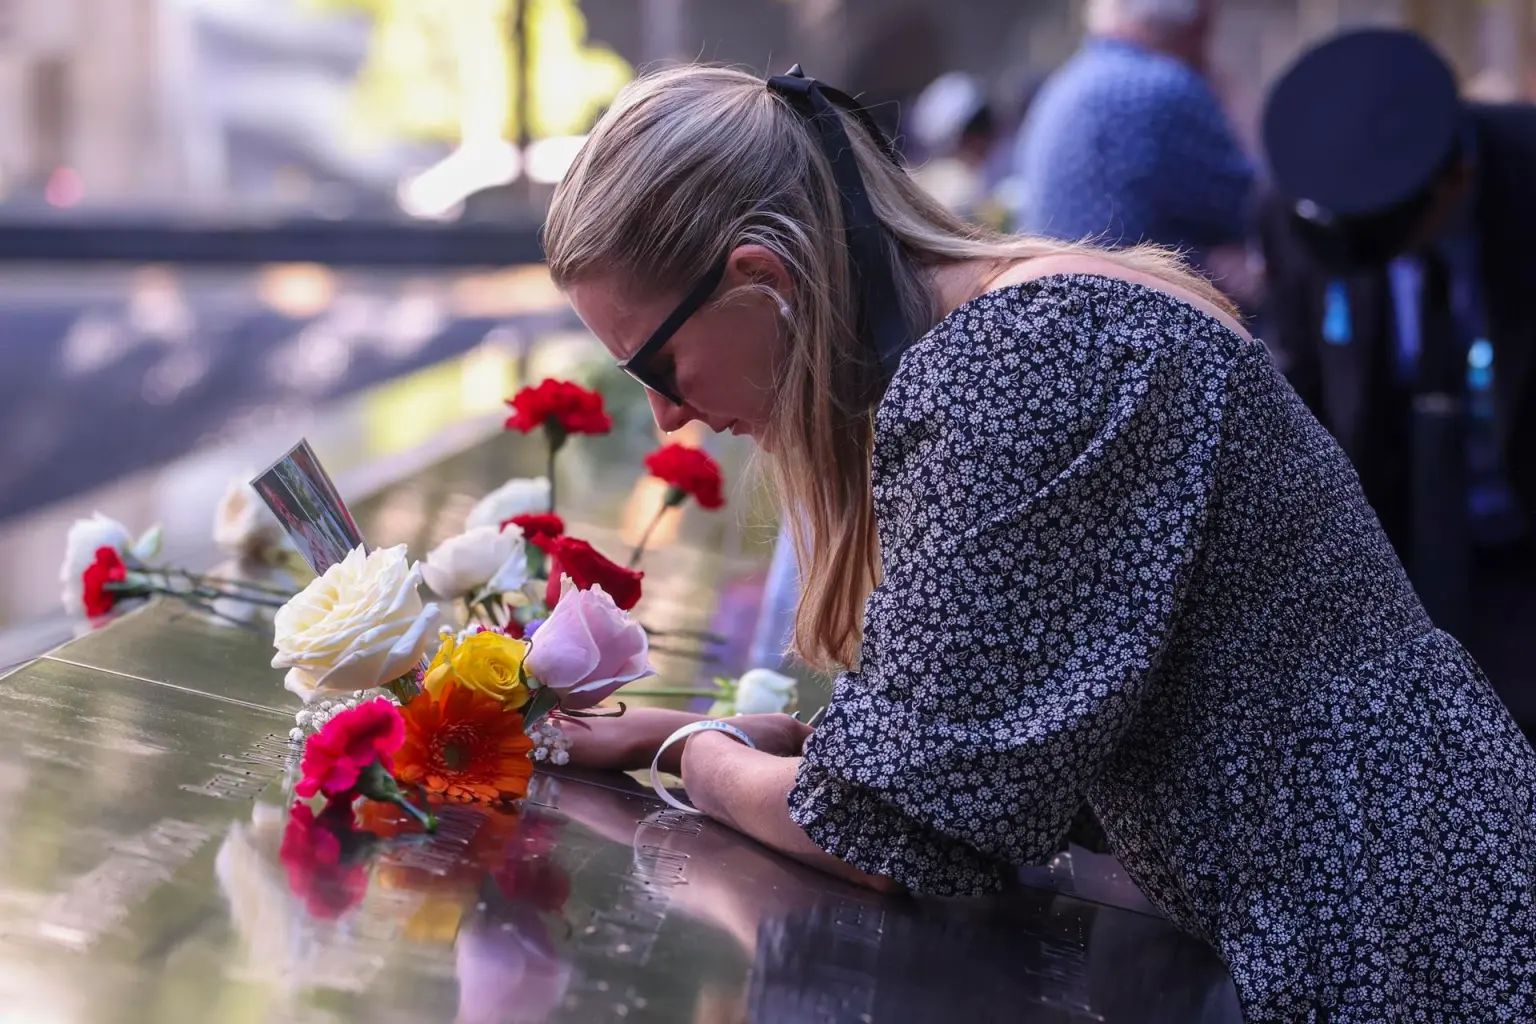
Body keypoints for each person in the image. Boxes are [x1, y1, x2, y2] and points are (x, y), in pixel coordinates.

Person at [541, 62, 1536, 1021]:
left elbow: (889, 832)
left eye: (656, 364)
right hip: (1398, 886)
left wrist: (692, 750)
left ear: (763, 278)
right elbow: (949, 752)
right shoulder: (1028, 325)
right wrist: (705, 737)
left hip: (1395, 940)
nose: (667, 418)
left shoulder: (1018, 363)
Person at [1258, 28, 1536, 733]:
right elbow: (1310, 386)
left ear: (1456, 180)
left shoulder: (1523, 174)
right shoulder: (1308, 209)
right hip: (1395, 564)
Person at [1012, 0, 1259, 307]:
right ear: (1196, 21)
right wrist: (1226, 88)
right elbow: (1256, 208)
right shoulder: (1165, 88)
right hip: (1136, 323)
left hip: (1066, 316)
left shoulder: (1061, 86)